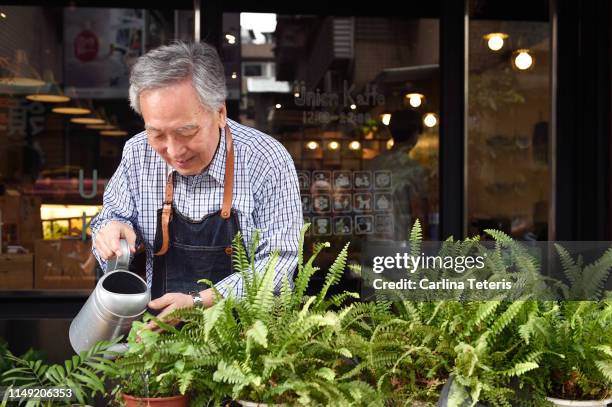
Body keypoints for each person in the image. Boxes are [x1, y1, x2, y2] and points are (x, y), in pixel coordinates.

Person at [90, 41, 302, 322]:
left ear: (220, 113)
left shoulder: (266, 160)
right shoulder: (137, 153)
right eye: (157, 134)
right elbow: (112, 219)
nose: (174, 151)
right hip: (161, 343)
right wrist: (111, 233)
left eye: (186, 132)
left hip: (247, 347)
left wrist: (201, 302)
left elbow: (282, 262)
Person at [366, 109, 429, 241]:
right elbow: (419, 214)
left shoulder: (374, 164)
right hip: (400, 243)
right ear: (415, 133)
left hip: (373, 240)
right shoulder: (412, 168)